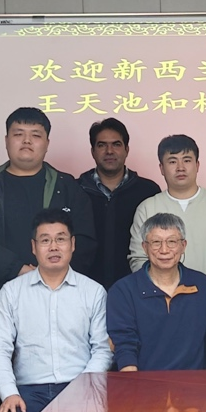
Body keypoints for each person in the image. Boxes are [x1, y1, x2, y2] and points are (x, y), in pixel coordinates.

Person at [0, 209, 112, 412]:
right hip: (28, 391)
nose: (53, 247)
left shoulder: (93, 292)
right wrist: (9, 393)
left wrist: (83, 388)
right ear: (33, 247)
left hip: (78, 386)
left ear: (72, 244)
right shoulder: (12, 292)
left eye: (60, 239)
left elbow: (102, 349)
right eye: (45, 240)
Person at [0, 107, 96, 311]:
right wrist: (19, 270)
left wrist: (50, 276)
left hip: (58, 299)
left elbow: (84, 242)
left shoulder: (67, 187)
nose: (27, 141)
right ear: (6, 140)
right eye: (18, 134)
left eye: (35, 135)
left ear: (47, 143)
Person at [109, 213, 206, 371]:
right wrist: (132, 383)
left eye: (172, 242)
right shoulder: (123, 290)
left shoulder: (203, 286)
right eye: (156, 242)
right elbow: (124, 346)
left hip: (195, 383)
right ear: (145, 247)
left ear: (183, 245)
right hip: (144, 382)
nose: (164, 250)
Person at [129, 134, 206, 293]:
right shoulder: (147, 208)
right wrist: (164, 293)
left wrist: (202, 293)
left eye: (187, 160)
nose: (180, 167)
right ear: (161, 168)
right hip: (159, 300)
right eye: (172, 161)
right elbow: (138, 259)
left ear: (197, 165)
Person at [77, 117, 160, 290]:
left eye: (116, 144)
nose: (109, 151)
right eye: (102, 145)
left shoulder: (148, 191)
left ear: (126, 149)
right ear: (92, 151)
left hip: (136, 287)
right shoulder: (75, 190)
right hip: (83, 287)